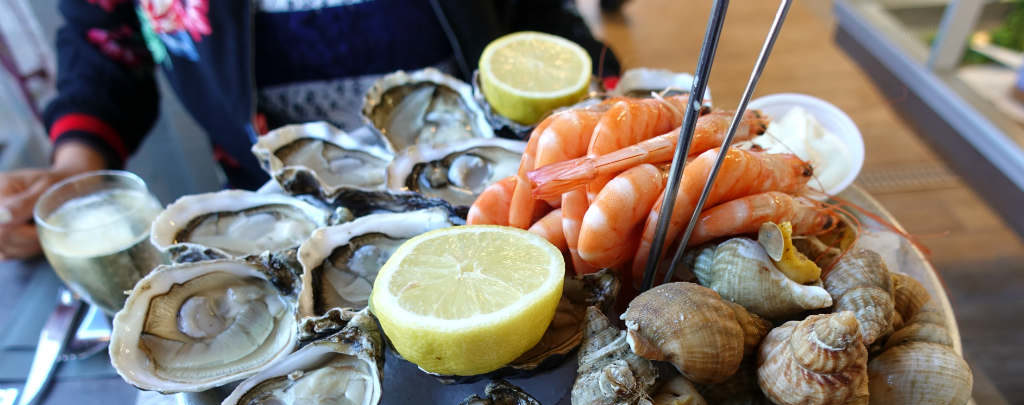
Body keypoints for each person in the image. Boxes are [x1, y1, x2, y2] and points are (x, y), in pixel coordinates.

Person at [0, 0, 619, 260]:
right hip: (277, 214)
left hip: (488, 192)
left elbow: (542, 26)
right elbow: (106, 44)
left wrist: (620, 118)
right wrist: (75, 169)